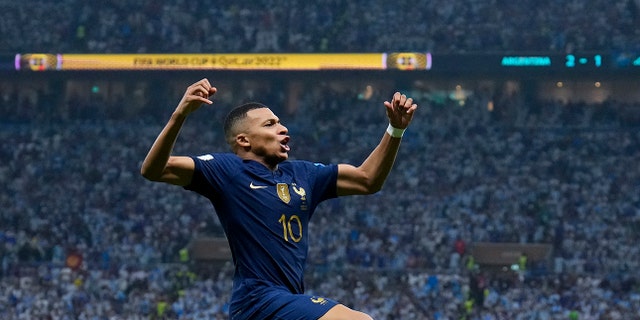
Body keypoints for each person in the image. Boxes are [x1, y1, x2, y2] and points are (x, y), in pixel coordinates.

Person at [141, 78, 417, 320]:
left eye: (281, 122)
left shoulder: (303, 174)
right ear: (244, 141)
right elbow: (154, 169)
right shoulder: (227, 170)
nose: (283, 129)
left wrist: (395, 130)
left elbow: (367, 179)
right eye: (271, 124)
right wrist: (180, 114)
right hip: (258, 302)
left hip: (287, 301)